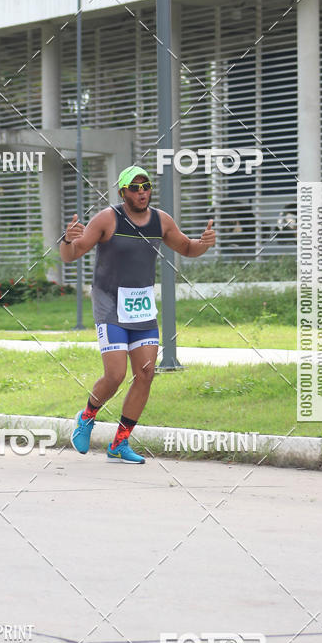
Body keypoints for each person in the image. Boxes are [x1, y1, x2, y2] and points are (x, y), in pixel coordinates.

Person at [59, 165, 216, 463]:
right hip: (109, 304)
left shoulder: (161, 220)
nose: (142, 192)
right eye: (135, 187)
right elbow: (72, 254)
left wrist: (204, 244)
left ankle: (119, 443)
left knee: (145, 374)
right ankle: (87, 416)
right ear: (122, 192)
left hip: (141, 307)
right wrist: (67, 240)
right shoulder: (107, 219)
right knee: (116, 375)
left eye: (146, 186)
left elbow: (186, 247)